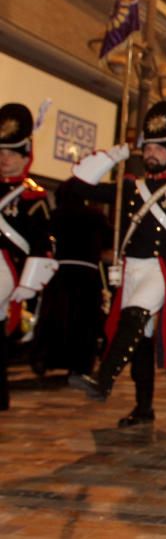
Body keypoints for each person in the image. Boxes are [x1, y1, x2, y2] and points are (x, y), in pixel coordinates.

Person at [68, 101, 166, 428]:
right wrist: (111, 158)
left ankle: (102, 380)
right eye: (148, 147)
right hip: (131, 269)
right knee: (140, 339)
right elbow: (77, 187)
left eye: (160, 148)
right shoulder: (127, 187)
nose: (153, 153)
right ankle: (144, 407)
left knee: (132, 318)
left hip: (162, 270)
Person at [0, 103, 57, 410]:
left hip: (9, 269)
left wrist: (30, 283)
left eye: (11, 153)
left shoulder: (32, 198)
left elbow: (41, 245)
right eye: (1, 152)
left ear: (25, 157)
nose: (4, 158)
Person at [32, 183, 111, 379]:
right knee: (84, 321)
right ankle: (80, 363)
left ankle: (47, 357)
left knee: (55, 317)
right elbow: (108, 246)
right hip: (88, 274)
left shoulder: (56, 215)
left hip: (61, 272)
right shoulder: (96, 217)